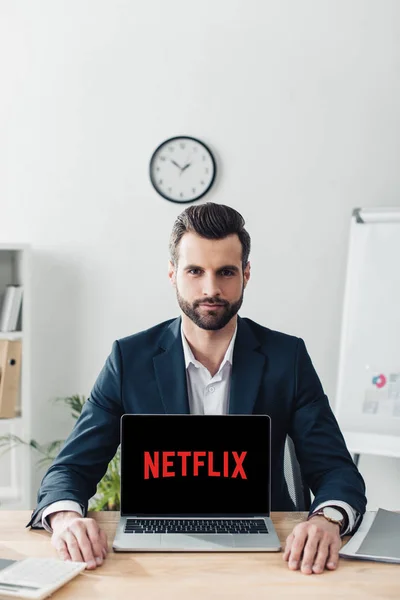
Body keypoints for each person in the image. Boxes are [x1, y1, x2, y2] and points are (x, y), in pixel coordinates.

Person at [28, 203, 366, 575]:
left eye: (226, 272)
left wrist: (326, 519)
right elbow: (71, 469)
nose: (211, 289)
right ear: (173, 274)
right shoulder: (129, 359)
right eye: (195, 271)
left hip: (270, 553)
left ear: (246, 274)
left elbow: (335, 468)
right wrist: (64, 519)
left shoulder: (288, 358)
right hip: (151, 553)